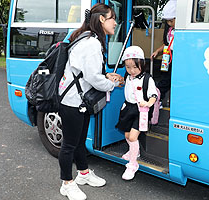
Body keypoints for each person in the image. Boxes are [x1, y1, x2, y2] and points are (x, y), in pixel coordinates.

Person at [57, 3, 123, 200]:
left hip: (78, 100)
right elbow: (93, 78)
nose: (115, 23)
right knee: (69, 144)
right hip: (72, 102)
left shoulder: (88, 38)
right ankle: (67, 183)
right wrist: (112, 84)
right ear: (102, 19)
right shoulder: (92, 43)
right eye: (113, 18)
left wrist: (106, 76)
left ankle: (83, 174)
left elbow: (88, 72)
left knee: (78, 141)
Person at [116, 46, 158, 180]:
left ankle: (132, 164)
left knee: (133, 137)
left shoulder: (147, 79)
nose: (131, 70)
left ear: (142, 64)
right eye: (128, 67)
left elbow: (153, 94)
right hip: (128, 108)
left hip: (141, 110)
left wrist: (148, 103)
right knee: (127, 135)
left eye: (135, 67)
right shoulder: (128, 77)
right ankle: (135, 151)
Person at [150, 0, 177, 108]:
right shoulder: (170, 30)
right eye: (168, 22)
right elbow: (167, 44)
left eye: (171, 21)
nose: (169, 24)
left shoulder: (182, 32)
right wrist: (157, 51)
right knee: (165, 78)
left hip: (177, 57)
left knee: (173, 78)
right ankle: (159, 99)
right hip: (168, 56)